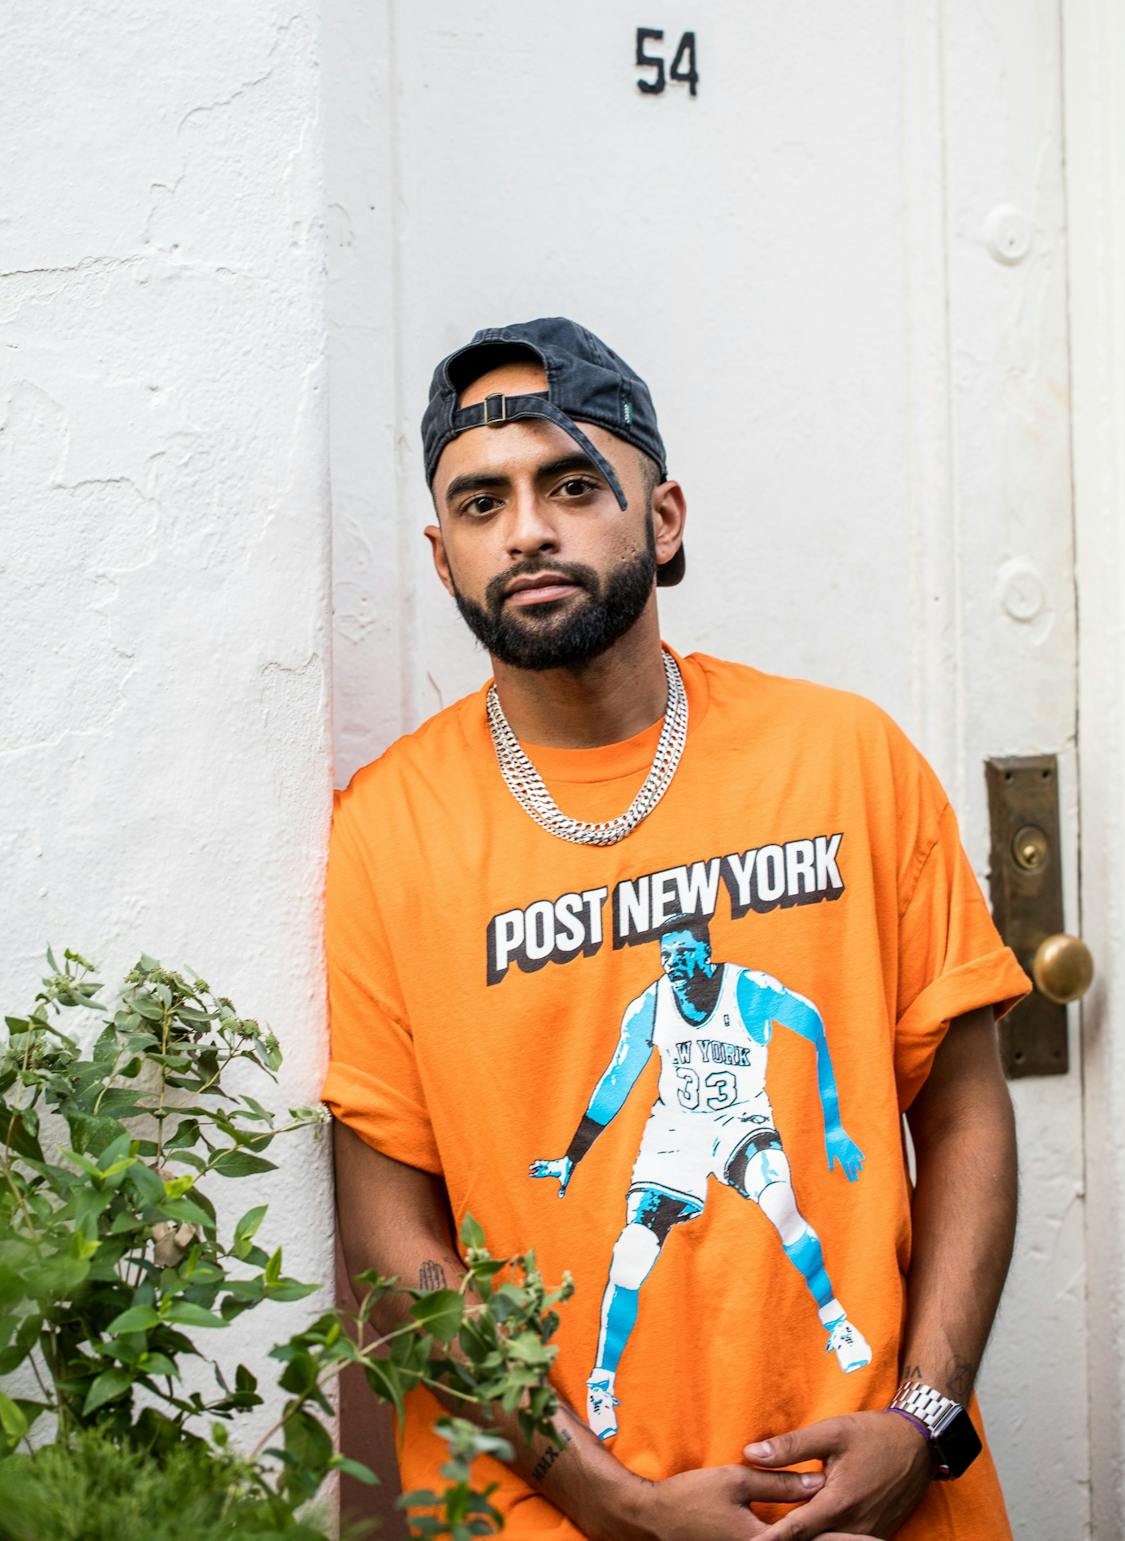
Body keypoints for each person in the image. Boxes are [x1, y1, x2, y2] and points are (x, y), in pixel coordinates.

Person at [324, 316, 1030, 1540]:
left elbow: (965, 1110)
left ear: (662, 518)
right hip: (544, 1514)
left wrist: (923, 1420)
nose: (527, 530)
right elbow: (392, 1235)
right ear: (443, 558)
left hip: (874, 1498)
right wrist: (616, 1502)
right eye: (482, 502)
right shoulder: (387, 830)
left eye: (572, 484)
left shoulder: (844, 760)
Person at [530, 911, 872, 1444]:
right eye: (665, 955)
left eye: (683, 953)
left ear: (706, 953)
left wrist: (833, 1126)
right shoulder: (649, 1006)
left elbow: (813, 1025)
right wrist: (573, 1156)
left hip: (741, 1118)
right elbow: (617, 1079)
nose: (673, 963)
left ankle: (837, 1323)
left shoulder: (750, 990)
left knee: (781, 1205)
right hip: (676, 1130)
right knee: (631, 1252)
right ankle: (601, 1383)